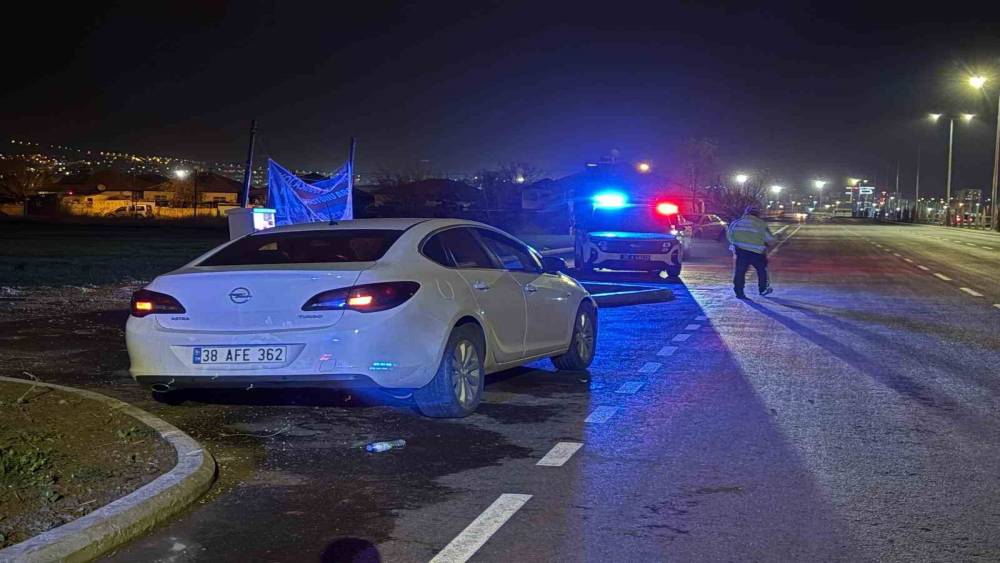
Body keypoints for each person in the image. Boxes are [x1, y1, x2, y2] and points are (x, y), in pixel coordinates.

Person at [726, 205, 774, 299]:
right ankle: (762, 289)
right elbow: (769, 238)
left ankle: (739, 292)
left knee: (740, 272)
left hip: (741, 252)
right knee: (761, 271)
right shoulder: (761, 224)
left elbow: (729, 236)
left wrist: (736, 245)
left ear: (746, 212)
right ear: (758, 214)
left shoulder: (736, 222)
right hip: (757, 253)